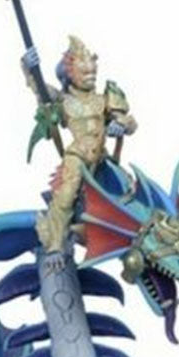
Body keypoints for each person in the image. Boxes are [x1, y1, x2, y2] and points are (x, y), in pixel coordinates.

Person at [22, 35, 137, 256]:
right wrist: (28, 67)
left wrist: (121, 125)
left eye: (93, 72)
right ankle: (56, 246)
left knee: (130, 191)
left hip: (102, 158)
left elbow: (130, 122)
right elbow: (38, 87)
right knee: (66, 196)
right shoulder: (62, 100)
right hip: (77, 157)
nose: (91, 76)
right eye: (85, 73)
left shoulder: (105, 98)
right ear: (69, 74)